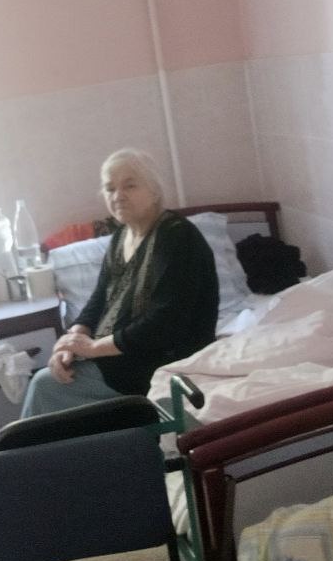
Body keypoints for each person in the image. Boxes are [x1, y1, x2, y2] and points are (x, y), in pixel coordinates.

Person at [21, 147, 218, 419]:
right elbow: (98, 300)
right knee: (51, 379)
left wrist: (93, 348)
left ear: (154, 191)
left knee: (45, 386)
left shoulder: (177, 237)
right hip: (119, 354)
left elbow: (165, 322)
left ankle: (27, 449)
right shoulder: (120, 238)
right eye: (110, 188)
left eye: (130, 185)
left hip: (162, 360)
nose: (118, 196)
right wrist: (71, 341)